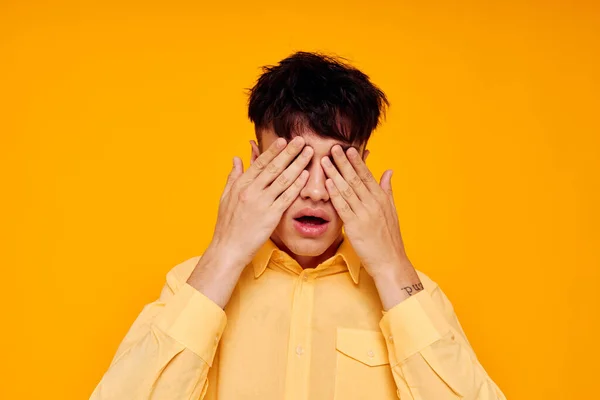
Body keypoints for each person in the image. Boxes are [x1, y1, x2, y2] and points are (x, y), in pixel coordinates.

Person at [90, 52, 506, 400]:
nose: (315, 191)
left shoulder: (414, 295)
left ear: (363, 163)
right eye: (294, 162)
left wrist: (394, 267)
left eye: (337, 164)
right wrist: (224, 253)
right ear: (256, 163)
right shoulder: (191, 286)